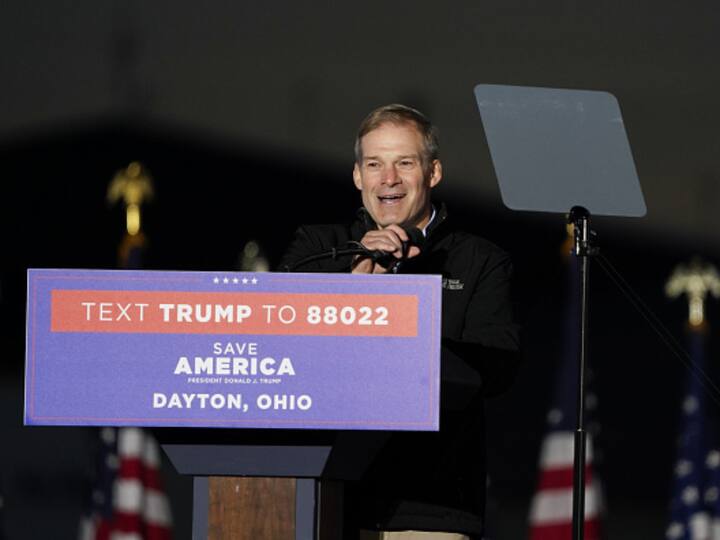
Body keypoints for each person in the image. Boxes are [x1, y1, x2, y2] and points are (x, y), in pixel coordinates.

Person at [280, 104, 520, 539]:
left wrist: (406, 303)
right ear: (358, 177)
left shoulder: (479, 260)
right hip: (323, 501)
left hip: (429, 509)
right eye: (374, 164)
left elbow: (498, 370)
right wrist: (353, 283)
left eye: (404, 163)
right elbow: (282, 337)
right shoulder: (318, 249)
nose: (388, 178)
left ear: (433, 173)